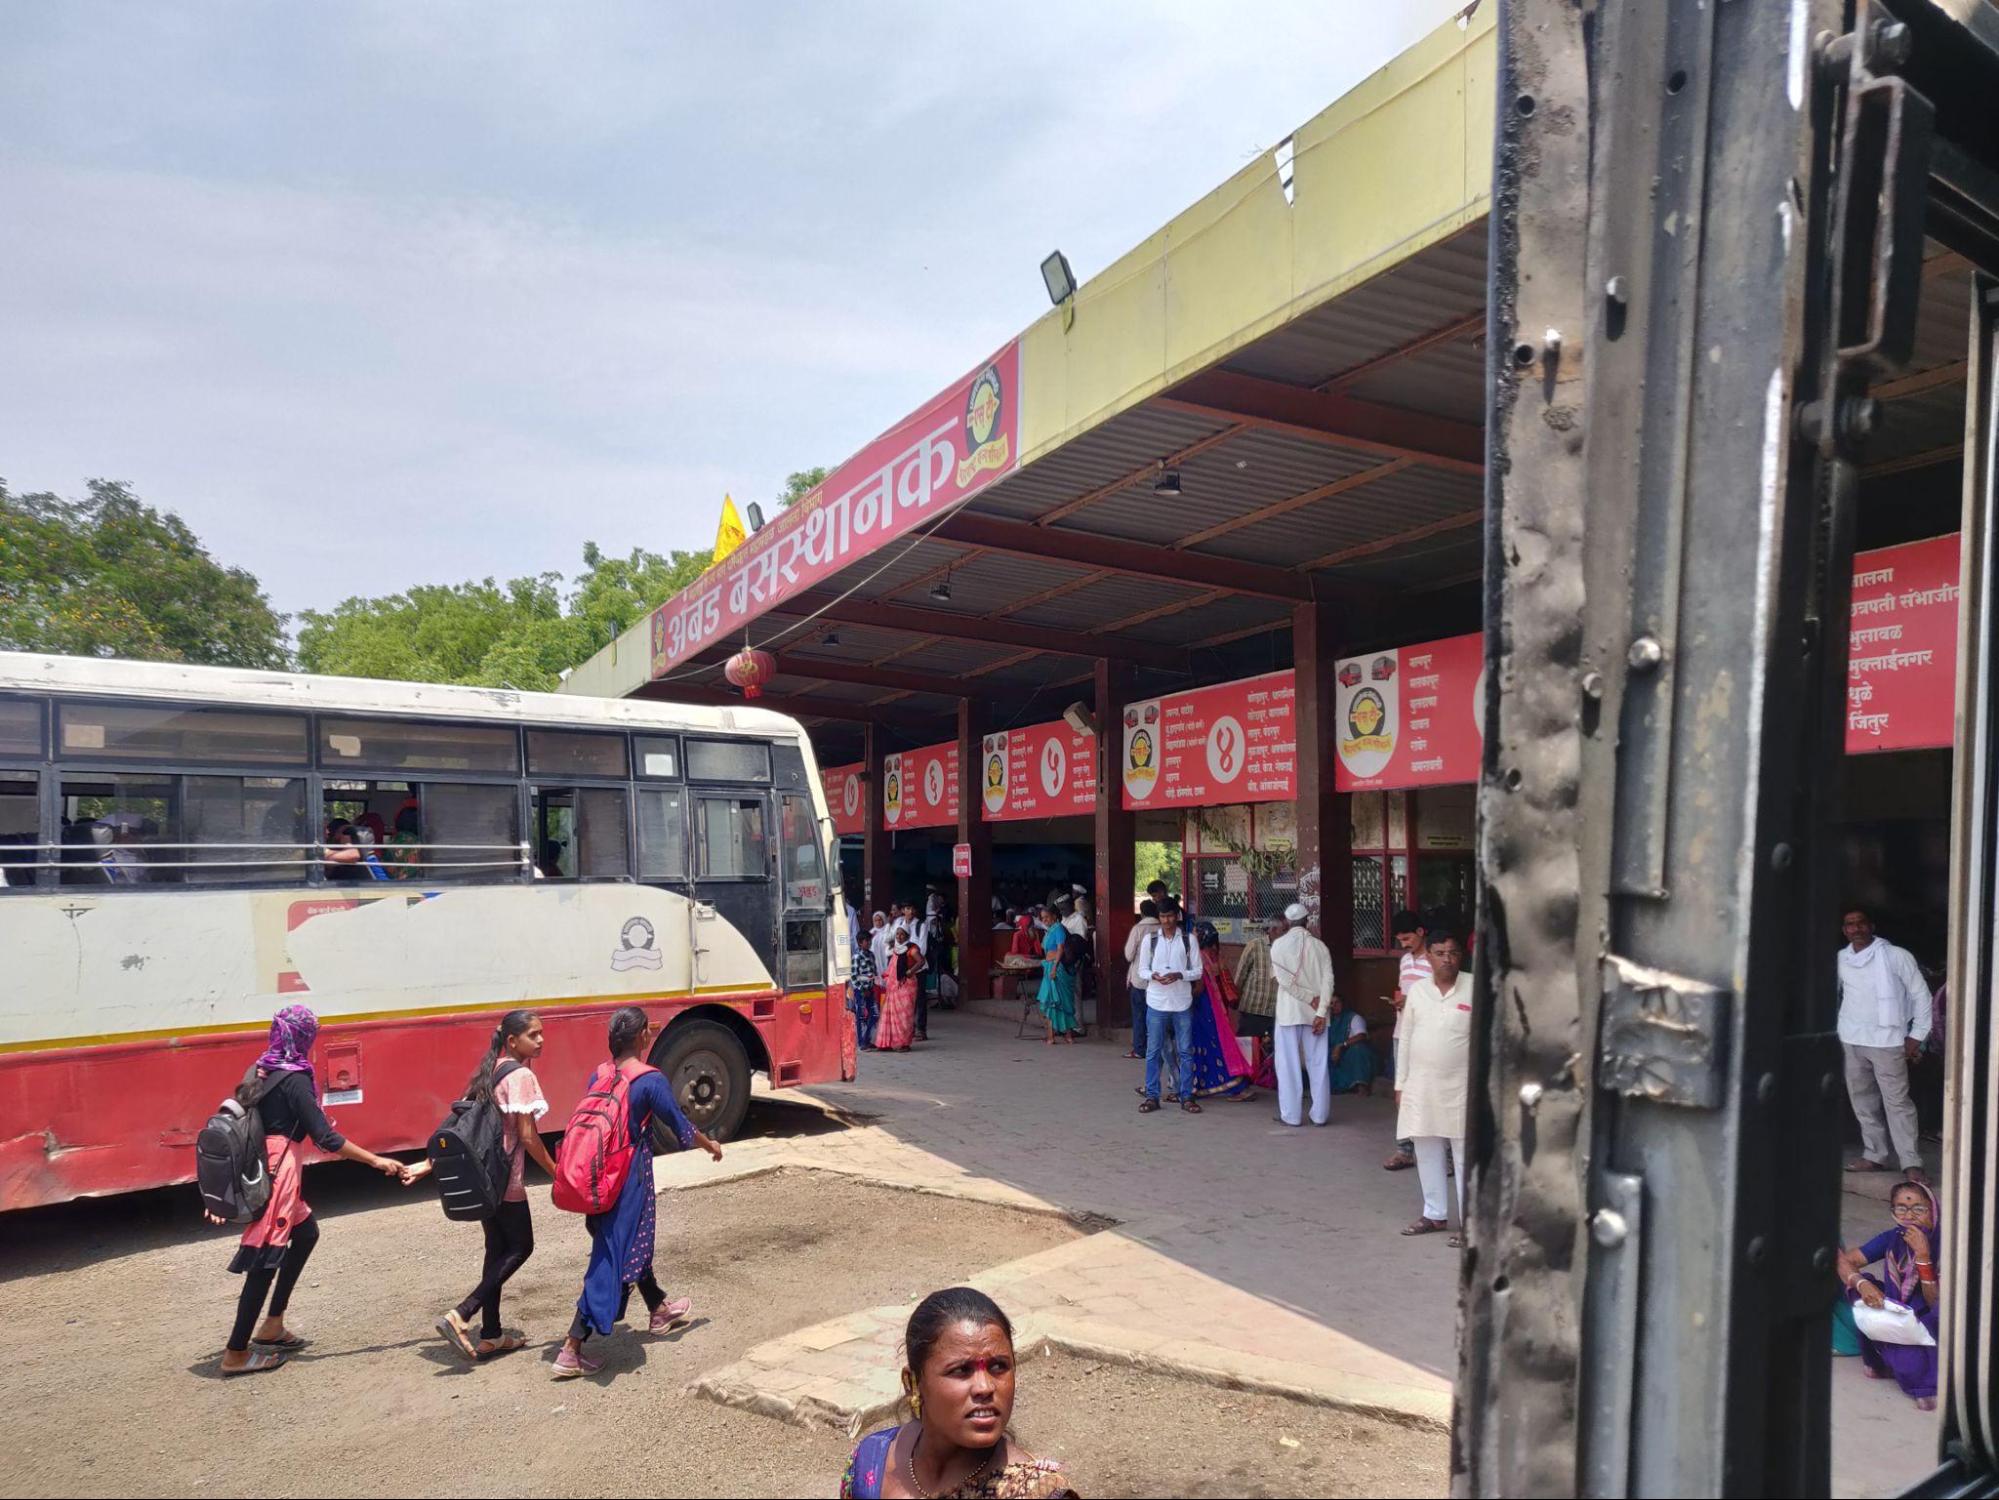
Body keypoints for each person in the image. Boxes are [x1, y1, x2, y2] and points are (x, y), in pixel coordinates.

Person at [208, 1004, 412, 1376]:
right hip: (278, 1169)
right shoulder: (296, 1078)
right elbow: (325, 1136)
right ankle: (236, 1352)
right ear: (303, 1038)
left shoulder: (260, 1067)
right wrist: (376, 1160)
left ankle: (272, 1325)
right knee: (265, 1259)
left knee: (307, 1233)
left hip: (260, 1162)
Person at [555, 1006, 723, 1378]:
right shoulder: (649, 1080)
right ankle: (572, 1346)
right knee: (613, 1256)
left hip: (598, 1179)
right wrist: (709, 1144)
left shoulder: (599, 1075)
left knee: (629, 1247)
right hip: (629, 1180)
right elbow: (680, 1126)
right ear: (643, 1036)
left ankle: (659, 1310)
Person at [841, 1287, 1073, 1499]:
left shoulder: (1034, 1492)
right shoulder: (871, 1462)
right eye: (961, 1370)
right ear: (912, 1383)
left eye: (998, 1366)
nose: (985, 1387)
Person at [422, 1009, 561, 1361]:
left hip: (484, 1176)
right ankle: (462, 1313)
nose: (541, 1040)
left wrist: (427, 1164)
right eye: (533, 1034)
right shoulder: (521, 1076)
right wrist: (555, 1170)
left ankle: (492, 1335)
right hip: (505, 1179)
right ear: (513, 1041)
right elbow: (528, 1136)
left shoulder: (492, 1070)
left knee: (496, 1250)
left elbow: (462, 1123)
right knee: (522, 1246)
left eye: (541, 1033)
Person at [1838, 906, 1933, 1184]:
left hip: (1888, 1040)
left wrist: (1917, 1035)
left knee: (1898, 1103)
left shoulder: (1895, 956)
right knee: (1863, 1101)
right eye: (1850, 924)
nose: (1856, 928)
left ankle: (1911, 1162)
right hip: (1851, 1038)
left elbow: (1921, 996)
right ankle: (1875, 1155)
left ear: (1872, 926)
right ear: (1844, 931)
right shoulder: (1841, 959)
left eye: (1861, 923)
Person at [1838, 1180, 1943, 1411]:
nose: (1909, 1216)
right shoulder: (1893, 1237)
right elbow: (1845, 1261)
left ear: (1932, 1209)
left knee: (1913, 1358)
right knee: (1859, 1293)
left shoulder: (1946, 1243)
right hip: (1897, 1309)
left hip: (1929, 1315)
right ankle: (1879, 1363)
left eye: (1918, 1208)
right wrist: (1863, 1284)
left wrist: (1923, 1255)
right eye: (1901, 1208)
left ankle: (1922, 1385)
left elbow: (1934, 1300)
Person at [1398, 931, 1473, 1244]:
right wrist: (1400, 1083)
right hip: (1421, 1084)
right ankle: (1434, 1214)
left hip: (1462, 1086)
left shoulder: (1474, 987)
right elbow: (1406, 1038)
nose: (1447, 959)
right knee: (1426, 1148)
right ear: (1427, 955)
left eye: (1452, 952)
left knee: (1464, 1153)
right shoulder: (1417, 992)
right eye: (1440, 953)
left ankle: (1471, 1224)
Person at [1270, 903, 1337, 1127]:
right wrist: (1320, 1009)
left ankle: (1291, 1115)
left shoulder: (1278, 945)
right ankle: (1320, 1115)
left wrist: (1310, 999)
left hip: (1289, 1012)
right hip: (1316, 1014)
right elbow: (1328, 982)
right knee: (1318, 1063)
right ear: (1307, 921)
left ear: (1287, 923)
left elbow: (1286, 982)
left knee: (1288, 1064)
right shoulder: (1321, 947)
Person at [1136, 898, 1201, 1114]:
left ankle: (1186, 1096)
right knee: (1153, 1052)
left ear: (1177, 916)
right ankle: (1152, 1096)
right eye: (1163, 917)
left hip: (1181, 1002)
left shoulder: (1189, 939)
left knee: (1185, 1052)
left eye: (1170, 916)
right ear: (1159, 918)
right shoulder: (1150, 940)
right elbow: (1141, 970)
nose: (1167, 920)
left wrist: (1179, 975)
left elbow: (1198, 971)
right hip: (1156, 1002)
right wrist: (1153, 975)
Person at [1186, 919, 1255, 1100]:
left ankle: (1232, 1084)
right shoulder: (1215, 954)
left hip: (1204, 1006)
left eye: (1194, 933)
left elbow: (1199, 986)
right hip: (1217, 1006)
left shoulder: (1199, 956)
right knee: (1219, 1043)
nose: (1192, 936)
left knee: (1207, 1044)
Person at [1383, 909, 1429, 1172]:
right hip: (1402, 1034)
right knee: (1402, 1093)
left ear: (1421, 932)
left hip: (1426, 1035)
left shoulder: (1435, 960)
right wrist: (1400, 1003)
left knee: (1429, 1092)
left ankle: (1444, 1154)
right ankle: (1404, 1149)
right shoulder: (1404, 961)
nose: (1405, 944)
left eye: (1408, 938)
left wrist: (1410, 1003)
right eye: (1401, 941)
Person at [1122, 900, 1162, 1059]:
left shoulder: (1138, 929)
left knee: (1139, 1015)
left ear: (1142, 913)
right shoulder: (1163, 928)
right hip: (1159, 979)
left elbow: (1128, 955)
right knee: (1158, 1016)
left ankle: (1140, 1049)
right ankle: (1159, 1048)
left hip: (1139, 979)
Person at [1232, 916, 1280, 1049]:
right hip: (1252, 1010)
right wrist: (1235, 998)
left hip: (1274, 1012)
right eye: (1284, 930)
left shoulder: (1287, 950)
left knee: (1270, 1055)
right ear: (1273, 930)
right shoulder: (1255, 945)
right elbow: (1241, 975)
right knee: (1247, 1051)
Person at [1036, 904, 1079, 1045]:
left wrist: (1054, 968)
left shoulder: (1059, 929)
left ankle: (1067, 1035)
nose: (1045, 920)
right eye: (1043, 918)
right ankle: (1051, 1035)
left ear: (1054, 916)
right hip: (1049, 966)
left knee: (1061, 1002)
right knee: (1051, 1002)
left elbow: (1060, 949)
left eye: (1047, 917)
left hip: (1057, 968)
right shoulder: (1049, 931)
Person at [876, 928, 922, 1052]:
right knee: (891, 1013)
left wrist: (910, 971)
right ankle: (889, 1042)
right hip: (894, 985)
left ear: (907, 936)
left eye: (902, 934)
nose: (899, 936)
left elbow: (921, 961)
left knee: (904, 1015)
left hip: (907, 985)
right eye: (897, 934)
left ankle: (904, 1043)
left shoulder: (912, 949)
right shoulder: (896, 949)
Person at [1329, 1001, 1380, 1094]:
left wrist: (1341, 1045)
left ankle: (1362, 1085)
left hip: (1353, 1055)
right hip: (1337, 1057)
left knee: (1358, 1048)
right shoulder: (1329, 1020)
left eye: (1337, 1003)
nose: (1334, 1006)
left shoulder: (1353, 1018)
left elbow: (1361, 1036)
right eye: (1331, 1003)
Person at [850, 931, 881, 1051]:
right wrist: (862, 989)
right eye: (866, 941)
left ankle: (867, 1039)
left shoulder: (871, 955)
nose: (868, 943)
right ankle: (862, 1042)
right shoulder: (857, 957)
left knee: (874, 1015)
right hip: (861, 991)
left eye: (869, 941)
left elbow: (874, 971)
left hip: (871, 989)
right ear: (859, 942)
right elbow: (854, 976)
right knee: (862, 1017)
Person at [871, 911, 893, 976]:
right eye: (876, 920)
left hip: (885, 956)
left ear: (883, 919)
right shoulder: (872, 932)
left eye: (880, 920)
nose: (878, 922)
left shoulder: (888, 929)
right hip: (875, 957)